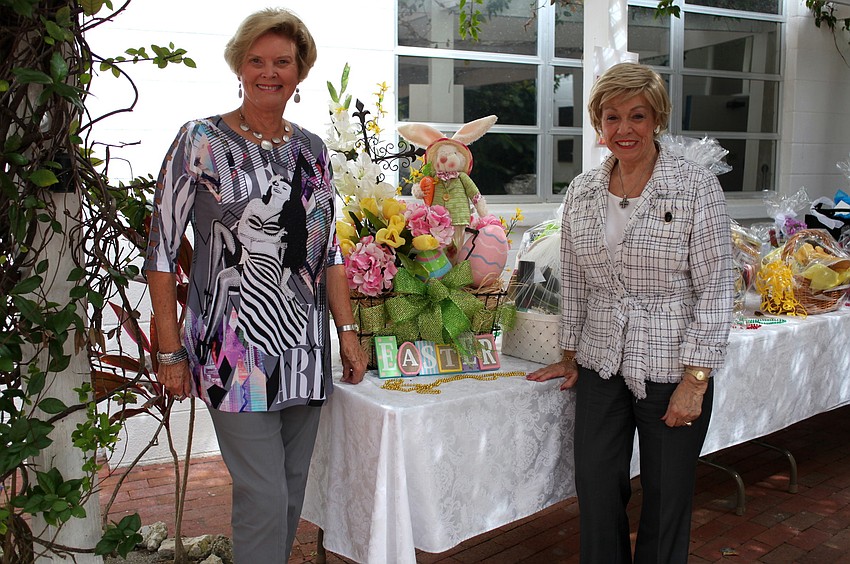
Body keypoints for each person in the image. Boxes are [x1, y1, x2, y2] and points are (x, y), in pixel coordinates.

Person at [144, 8, 367, 562]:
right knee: (264, 494)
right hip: (231, 349)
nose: (270, 72)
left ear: (300, 71)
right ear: (239, 66)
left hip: (305, 345)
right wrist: (169, 350)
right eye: (257, 60)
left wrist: (348, 330)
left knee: (291, 491)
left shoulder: (312, 149)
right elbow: (162, 250)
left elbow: (330, 250)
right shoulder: (200, 139)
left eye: (283, 62)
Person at [527, 62, 734, 563]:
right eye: (612, 117)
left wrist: (697, 379)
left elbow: (716, 286)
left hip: (672, 364)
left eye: (637, 116)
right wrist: (571, 352)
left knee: (665, 501)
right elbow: (574, 280)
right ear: (599, 124)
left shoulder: (694, 186)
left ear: (656, 118)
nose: (624, 130)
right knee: (597, 491)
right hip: (601, 358)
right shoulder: (582, 191)